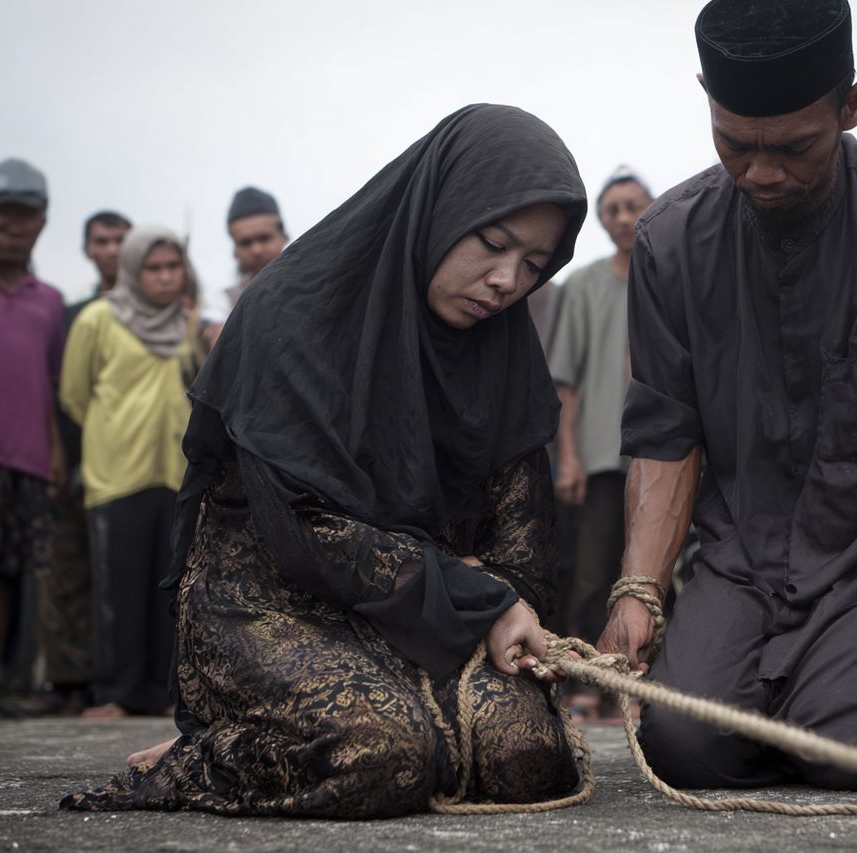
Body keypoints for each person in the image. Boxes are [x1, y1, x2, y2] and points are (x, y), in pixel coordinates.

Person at [62, 104, 590, 817]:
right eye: (493, 243)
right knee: (380, 752)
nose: (506, 280)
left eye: (534, 264)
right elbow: (305, 532)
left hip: (428, 606)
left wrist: (506, 600)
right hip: (273, 594)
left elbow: (520, 540)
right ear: (439, 205)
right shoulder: (291, 314)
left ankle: (316, 728)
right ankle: (218, 748)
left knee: (527, 752)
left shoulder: (504, 350)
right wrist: (478, 596)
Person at [596, 0, 857, 791]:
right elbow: (666, 430)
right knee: (682, 744)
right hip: (745, 554)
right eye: (734, 144)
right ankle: (809, 694)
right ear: (706, 99)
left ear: (851, 105)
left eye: (794, 147)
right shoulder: (668, 241)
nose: (761, 172)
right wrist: (638, 590)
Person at [60, 226, 199, 718]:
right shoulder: (99, 319)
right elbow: (75, 395)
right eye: (152, 268)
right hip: (118, 474)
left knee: (167, 588)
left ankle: (161, 695)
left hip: (173, 474)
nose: (164, 278)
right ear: (133, 272)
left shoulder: (188, 324)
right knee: (119, 589)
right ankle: (116, 694)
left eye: (172, 267)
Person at [29, 211, 133, 716]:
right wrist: (60, 456)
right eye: (102, 241)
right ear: (87, 249)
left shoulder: (160, 311)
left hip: (132, 470)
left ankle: (119, 682)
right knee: (66, 575)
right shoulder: (73, 315)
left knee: (122, 578)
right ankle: (69, 682)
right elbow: (60, 391)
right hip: (73, 461)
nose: (112, 249)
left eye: (121, 240)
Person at [549, 167, 653, 651]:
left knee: (655, 572)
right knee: (593, 571)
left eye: (633, 205)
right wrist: (568, 457)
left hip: (662, 456)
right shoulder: (582, 286)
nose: (625, 217)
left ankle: (647, 683)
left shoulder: (674, 278)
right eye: (612, 209)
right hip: (601, 456)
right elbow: (563, 381)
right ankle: (584, 683)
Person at [0, 158, 65, 700]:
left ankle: (19, 686)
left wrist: (58, 452)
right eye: (1, 215)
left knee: (29, 578)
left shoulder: (49, 302)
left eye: (23, 217)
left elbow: (52, 384)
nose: (10, 227)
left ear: (41, 222)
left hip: (31, 460)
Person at [198, 186, 288, 353]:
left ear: (283, 236)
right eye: (246, 243)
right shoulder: (222, 302)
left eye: (264, 238)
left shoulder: (311, 286)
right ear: (235, 250)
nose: (256, 250)